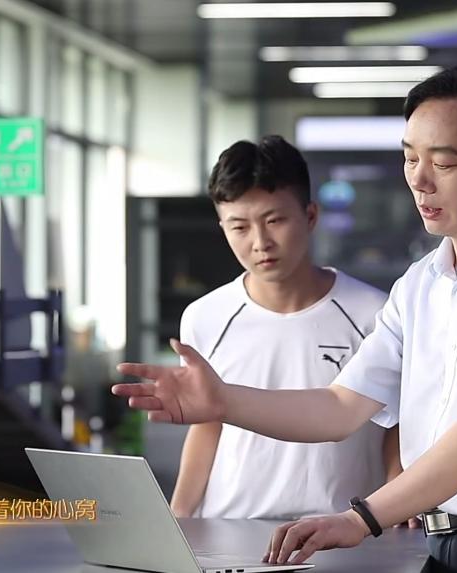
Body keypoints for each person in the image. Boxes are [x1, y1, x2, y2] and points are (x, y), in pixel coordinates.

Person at [115, 67, 457, 573]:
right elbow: (340, 407)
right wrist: (222, 400)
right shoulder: (420, 284)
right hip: (444, 544)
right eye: (410, 158)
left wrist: (362, 518)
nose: (419, 180)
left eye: (443, 162)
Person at [169, 135, 402, 522]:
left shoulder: (375, 314)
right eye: (239, 227)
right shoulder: (204, 316)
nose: (260, 243)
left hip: (340, 529)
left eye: (274, 221)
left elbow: (395, 423)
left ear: (310, 216)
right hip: (231, 525)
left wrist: (394, 505)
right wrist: (178, 516)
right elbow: (207, 425)